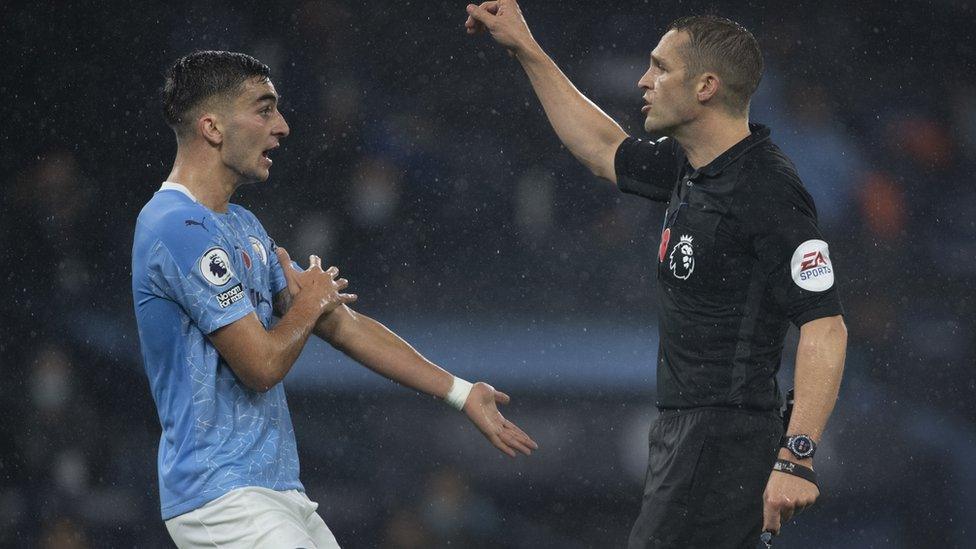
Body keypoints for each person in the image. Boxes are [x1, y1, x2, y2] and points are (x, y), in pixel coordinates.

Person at [464, 4, 847, 547]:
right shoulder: (690, 165)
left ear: (706, 86)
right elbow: (602, 148)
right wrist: (527, 49)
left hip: (724, 435)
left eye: (660, 67)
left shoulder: (767, 191)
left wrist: (797, 456)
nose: (644, 80)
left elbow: (826, 325)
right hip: (687, 431)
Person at [131, 50, 537, 549]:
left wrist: (459, 391)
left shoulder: (241, 227)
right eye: (264, 109)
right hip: (221, 496)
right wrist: (308, 304)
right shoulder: (178, 227)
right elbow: (260, 365)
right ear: (212, 128)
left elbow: (341, 325)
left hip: (277, 492)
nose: (281, 126)